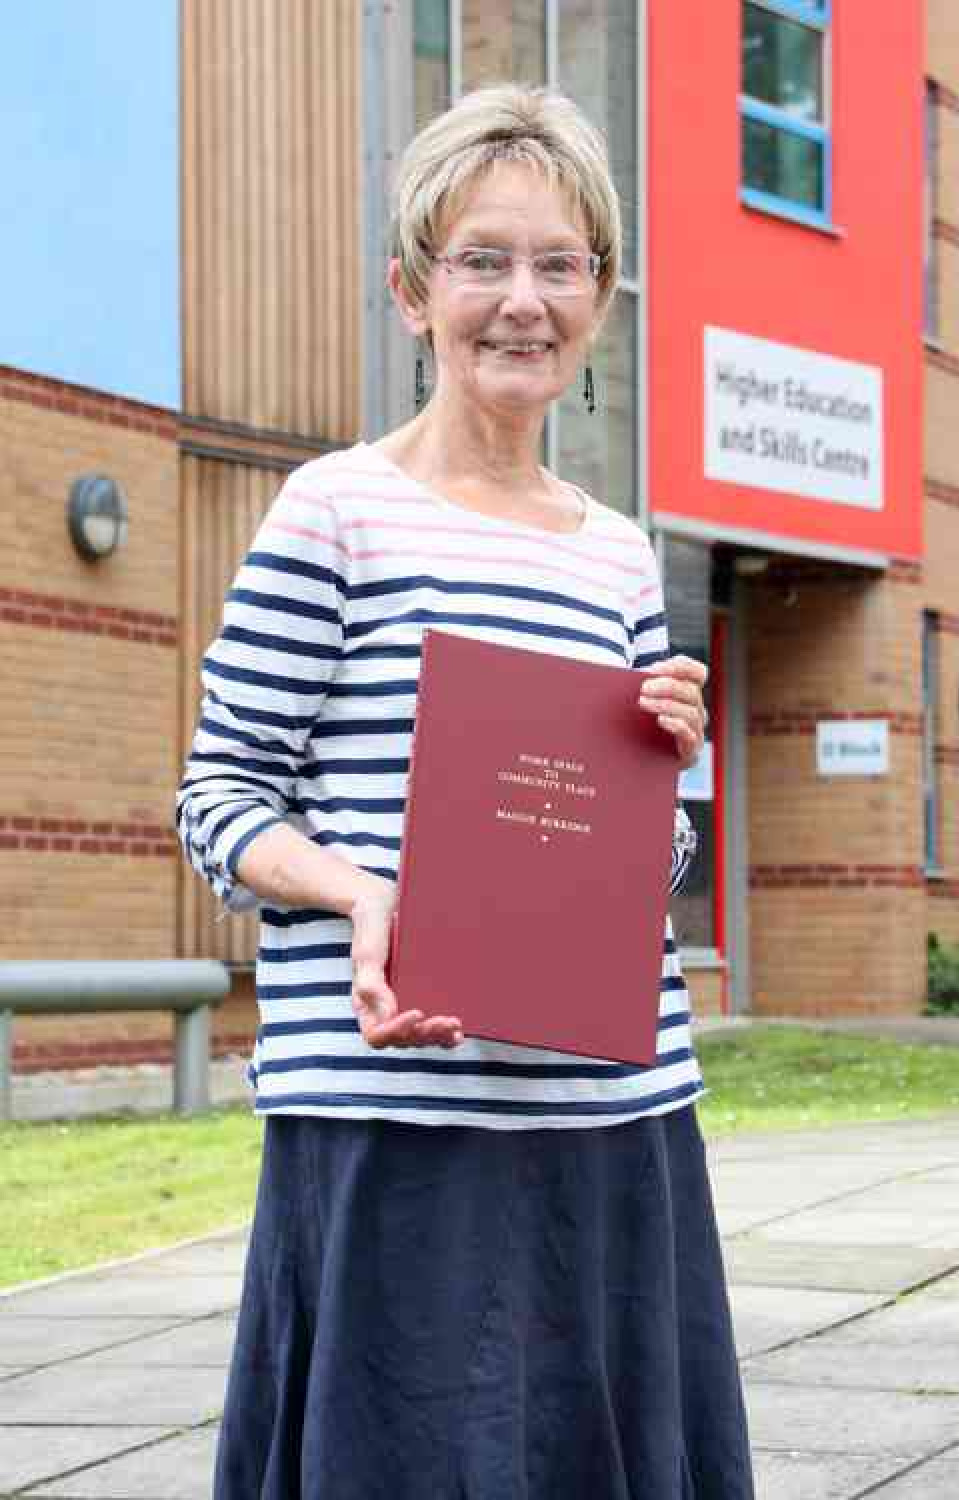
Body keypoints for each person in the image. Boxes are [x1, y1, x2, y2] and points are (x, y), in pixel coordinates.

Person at [178, 83, 754, 1500]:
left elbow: (654, 869)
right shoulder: (335, 511)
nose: (522, 300)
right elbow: (218, 799)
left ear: (602, 300)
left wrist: (673, 779)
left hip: (609, 1120)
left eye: (561, 265)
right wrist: (363, 889)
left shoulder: (623, 556)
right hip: (393, 1115)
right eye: (482, 259)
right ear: (411, 291)